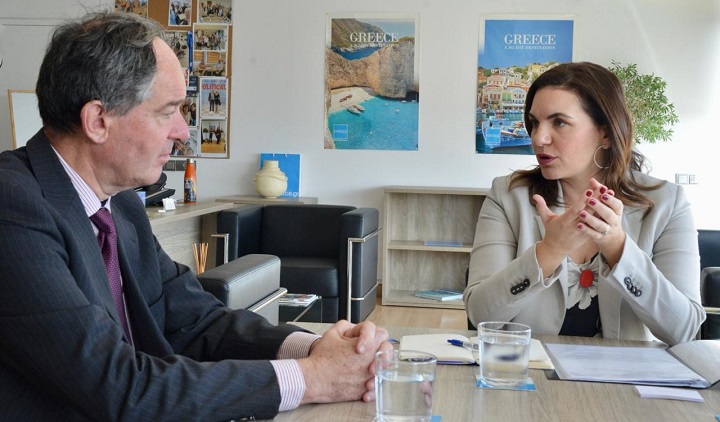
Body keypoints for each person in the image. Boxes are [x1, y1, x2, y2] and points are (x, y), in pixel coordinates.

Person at [0, 11, 390, 421]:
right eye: (167, 111)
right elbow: (118, 387)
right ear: (98, 121)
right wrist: (312, 378)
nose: (183, 131)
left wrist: (315, 349)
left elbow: (197, 320)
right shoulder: (13, 209)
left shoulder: (123, 206)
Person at [464, 62, 705, 347]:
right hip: (528, 372)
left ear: (605, 133)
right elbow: (480, 315)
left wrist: (617, 247)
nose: (538, 138)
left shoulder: (667, 203)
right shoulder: (508, 196)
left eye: (559, 122)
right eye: (535, 122)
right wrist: (549, 250)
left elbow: (683, 329)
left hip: (625, 375)